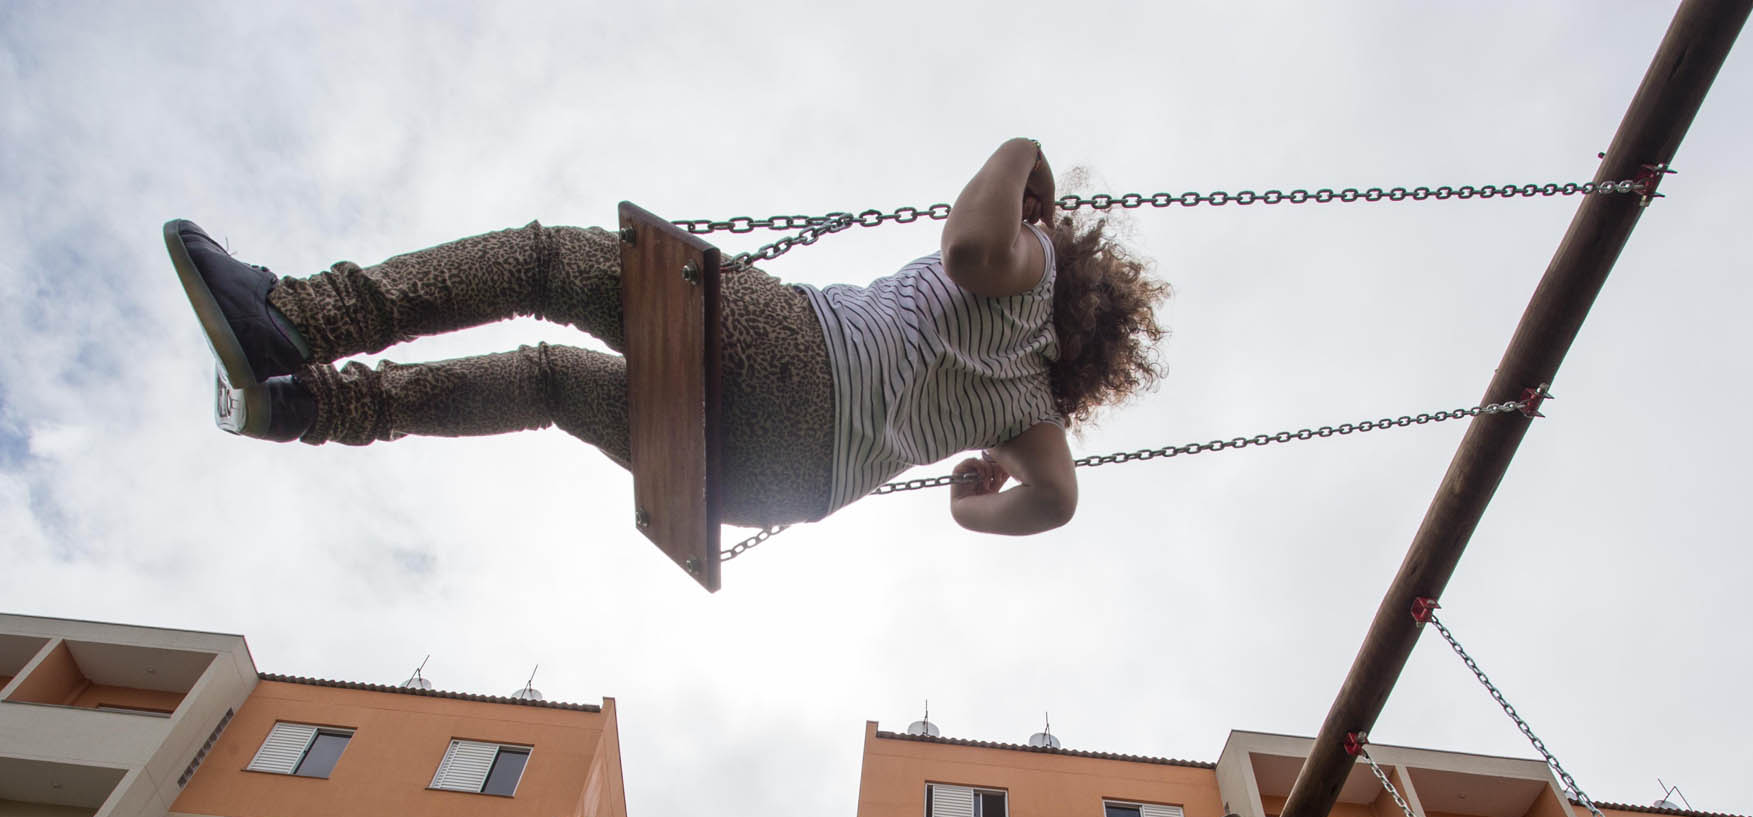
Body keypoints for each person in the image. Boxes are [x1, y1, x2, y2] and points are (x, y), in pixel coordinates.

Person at [163, 138, 1166, 537]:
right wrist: (966, 511)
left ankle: (296, 318)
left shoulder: (1028, 270)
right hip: (767, 488)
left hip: (799, 365)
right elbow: (1058, 502)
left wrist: (1020, 154)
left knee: (552, 265)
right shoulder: (1033, 409)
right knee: (553, 382)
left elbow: (972, 251)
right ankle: (305, 407)